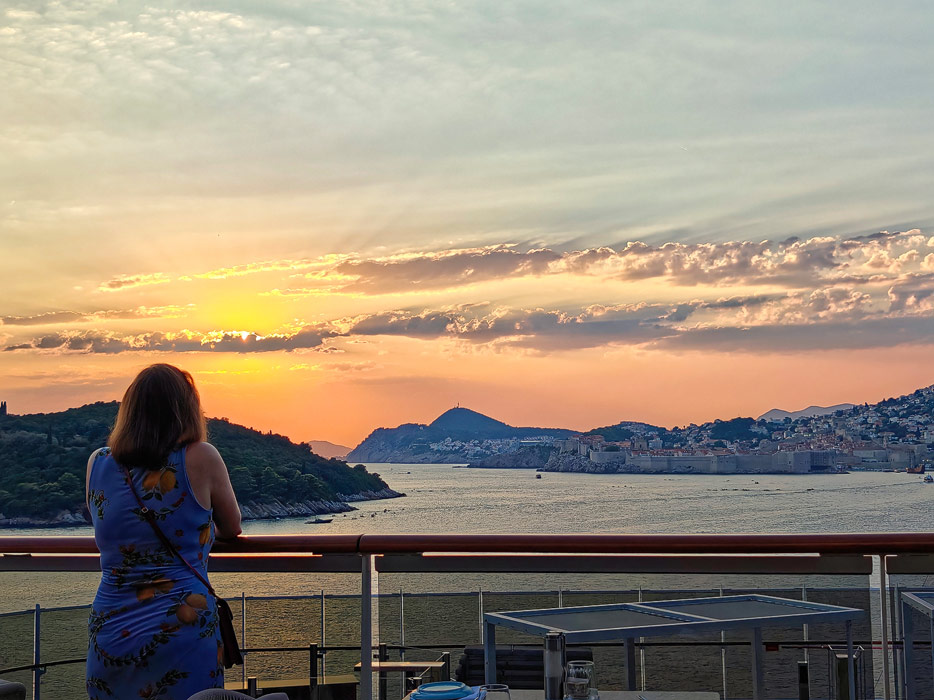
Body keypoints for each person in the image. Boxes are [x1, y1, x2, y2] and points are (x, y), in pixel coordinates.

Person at [85, 363, 241, 700]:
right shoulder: (201, 457)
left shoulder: (98, 462)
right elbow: (233, 526)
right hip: (182, 623)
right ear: (186, 410)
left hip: (111, 626)